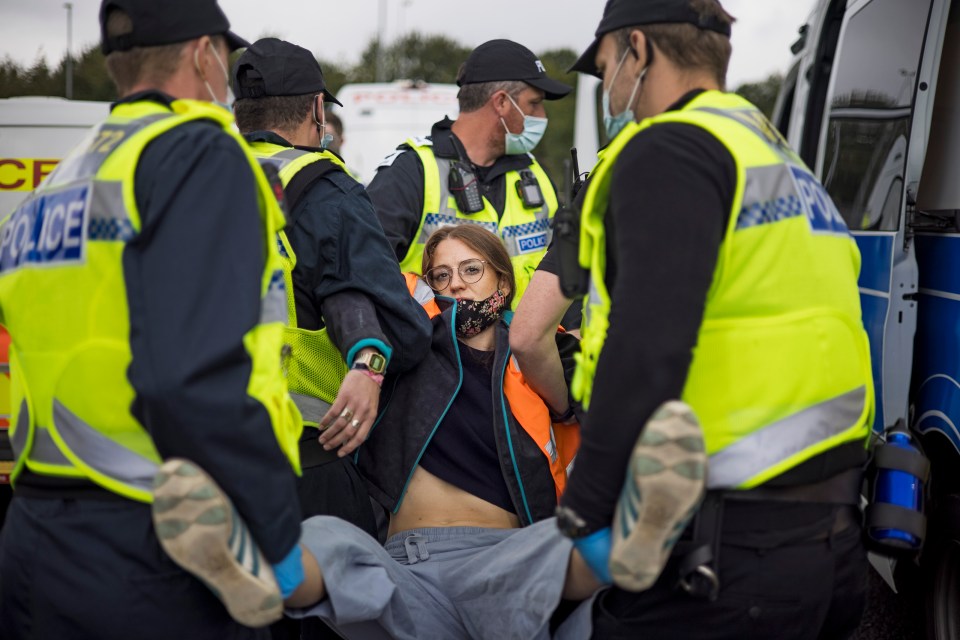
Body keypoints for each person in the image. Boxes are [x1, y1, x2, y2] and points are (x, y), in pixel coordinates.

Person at [150, 224, 712, 639]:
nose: (458, 286)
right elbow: (340, 303)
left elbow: (596, 391)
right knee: (333, 542)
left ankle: (630, 542)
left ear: (501, 277)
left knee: (557, 545)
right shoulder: (404, 349)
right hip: (403, 567)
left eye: (472, 271)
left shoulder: (545, 354)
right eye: (442, 275)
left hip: (506, 560)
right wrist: (368, 360)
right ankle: (254, 573)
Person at [554, 0, 874, 637]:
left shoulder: (670, 150)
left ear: (639, 50)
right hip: (831, 544)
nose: (609, 86)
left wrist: (584, 510)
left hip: (724, 561)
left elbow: (648, 345)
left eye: (609, 63)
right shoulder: (772, 152)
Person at [0, 1, 307, 638]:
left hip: (34, 534)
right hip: (162, 545)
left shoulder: (61, 180)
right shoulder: (196, 153)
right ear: (202, 53)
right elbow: (190, 379)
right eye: (226, 56)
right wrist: (276, 539)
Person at [231, 37, 433, 640]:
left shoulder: (203, 177)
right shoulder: (325, 189)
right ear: (319, 110)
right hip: (309, 457)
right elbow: (403, 330)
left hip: (204, 450)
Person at [366, 39, 573, 304]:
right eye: (534, 104)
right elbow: (364, 274)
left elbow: (564, 273)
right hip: (433, 345)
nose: (542, 115)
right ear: (501, 102)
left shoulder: (535, 174)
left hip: (523, 346)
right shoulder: (410, 172)